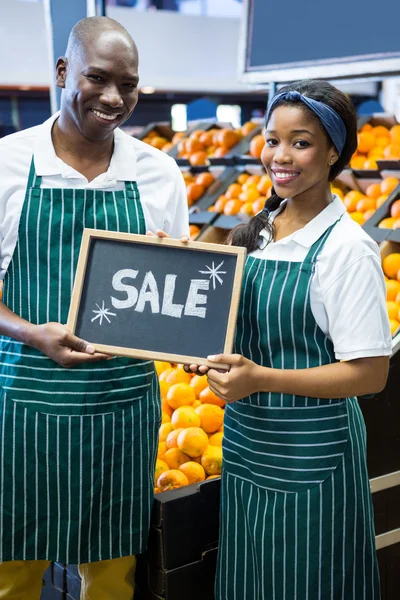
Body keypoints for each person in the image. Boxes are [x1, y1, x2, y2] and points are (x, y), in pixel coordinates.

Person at [0, 16, 188, 600]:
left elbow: (177, 296)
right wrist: (32, 333)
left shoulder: (159, 174)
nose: (113, 98)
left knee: (113, 573)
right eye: (98, 78)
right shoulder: (7, 165)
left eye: (128, 85)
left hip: (122, 410)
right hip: (26, 404)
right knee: (13, 568)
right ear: (63, 72)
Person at [189, 80, 392, 599]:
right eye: (271, 139)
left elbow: (370, 373)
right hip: (249, 447)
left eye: (300, 142)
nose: (280, 156)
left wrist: (260, 378)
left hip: (312, 459)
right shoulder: (256, 230)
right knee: (250, 579)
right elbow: (240, 328)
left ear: (333, 152)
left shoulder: (347, 249)